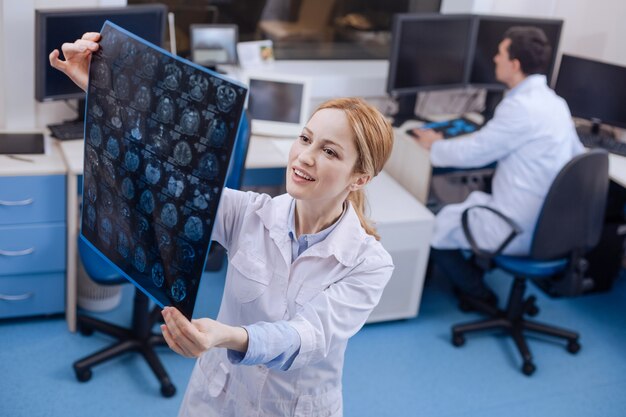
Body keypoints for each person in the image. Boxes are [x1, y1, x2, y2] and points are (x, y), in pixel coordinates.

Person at [51, 33, 395, 417]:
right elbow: (161, 171)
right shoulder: (247, 213)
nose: (305, 157)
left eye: (329, 151)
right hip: (219, 396)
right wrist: (98, 89)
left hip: (293, 406)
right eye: (305, 138)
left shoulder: (369, 263)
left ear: (360, 178)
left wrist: (227, 336)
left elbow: (308, 335)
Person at [412, 26, 584, 305]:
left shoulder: (521, 108)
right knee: (465, 208)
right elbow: (576, 155)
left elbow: (474, 153)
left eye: (500, 54)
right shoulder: (555, 103)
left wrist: (434, 144)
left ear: (514, 65)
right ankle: (476, 277)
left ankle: (478, 293)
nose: (494, 58)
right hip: (553, 225)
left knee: (433, 226)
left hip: (517, 226)